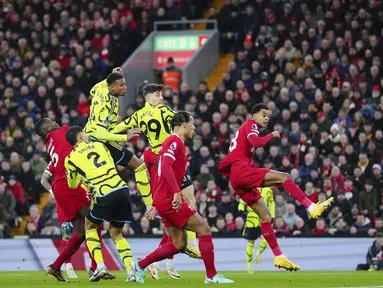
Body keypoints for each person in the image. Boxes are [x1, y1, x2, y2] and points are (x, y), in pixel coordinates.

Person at [218, 103, 334, 271]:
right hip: (241, 171)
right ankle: (312, 207)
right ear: (254, 115)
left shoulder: (242, 130)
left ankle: (279, 257)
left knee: (266, 217)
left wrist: (237, 185)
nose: (266, 118)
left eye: (268, 116)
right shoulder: (250, 124)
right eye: (263, 115)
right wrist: (271, 135)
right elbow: (256, 142)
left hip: (238, 176)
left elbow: (231, 158)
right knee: (284, 176)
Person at [131, 111, 234, 284]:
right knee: (204, 229)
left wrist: (156, 202)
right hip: (169, 199)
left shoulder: (172, 142)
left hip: (163, 199)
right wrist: (176, 192)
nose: (194, 127)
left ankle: (140, 265)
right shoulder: (174, 141)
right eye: (192, 124)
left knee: (179, 244)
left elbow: (161, 171)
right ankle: (211, 276)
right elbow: (165, 167)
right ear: (185, 124)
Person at [112, 83, 200, 279]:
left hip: (155, 161)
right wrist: (188, 121)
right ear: (149, 97)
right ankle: (191, 245)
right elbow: (179, 121)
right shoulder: (163, 110)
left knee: (174, 214)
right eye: (158, 94)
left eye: (161, 94)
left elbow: (120, 126)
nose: (161, 97)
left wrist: (110, 133)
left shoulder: (137, 115)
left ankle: (162, 263)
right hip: (169, 157)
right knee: (188, 201)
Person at [36, 118, 114, 282]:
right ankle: (95, 268)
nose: (55, 122)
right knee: (94, 221)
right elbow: (83, 135)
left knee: (80, 232)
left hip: (60, 187)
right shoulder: (63, 131)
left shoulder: (49, 145)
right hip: (68, 184)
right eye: (51, 121)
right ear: (47, 129)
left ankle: (55, 267)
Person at [64, 126, 135, 282]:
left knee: (90, 227)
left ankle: (100, 267)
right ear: (80, 138)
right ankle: (131, 271)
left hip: (104, 193)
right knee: (116, 233)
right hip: (122, 189)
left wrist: (85, 182)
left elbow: (72, 184)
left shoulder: (70, 159)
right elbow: (110, 165)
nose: (87, 134)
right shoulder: (99, 145)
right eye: (84, 133)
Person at [84, 69, 152, 212]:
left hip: (102, 136)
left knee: (139, 166)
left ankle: (150, 207)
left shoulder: (104, 88)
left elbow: (92, 90)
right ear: (112, 87)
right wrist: (124, 137)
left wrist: (111, 75)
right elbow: (100, 132)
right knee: (101, 182)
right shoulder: (105, 105)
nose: (125, 87)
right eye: (121, 85)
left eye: (124, 84)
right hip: (96, 142)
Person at [238, 187, 275, 273]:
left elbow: (271, 203)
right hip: (252, 218)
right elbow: (243, 199)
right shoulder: (249, 189)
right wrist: (241, 207)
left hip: (264, 217)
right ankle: (249, 265)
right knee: (251, 242)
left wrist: (272, 215)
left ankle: (258, 253)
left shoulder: (268, 190)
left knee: (266, 238)